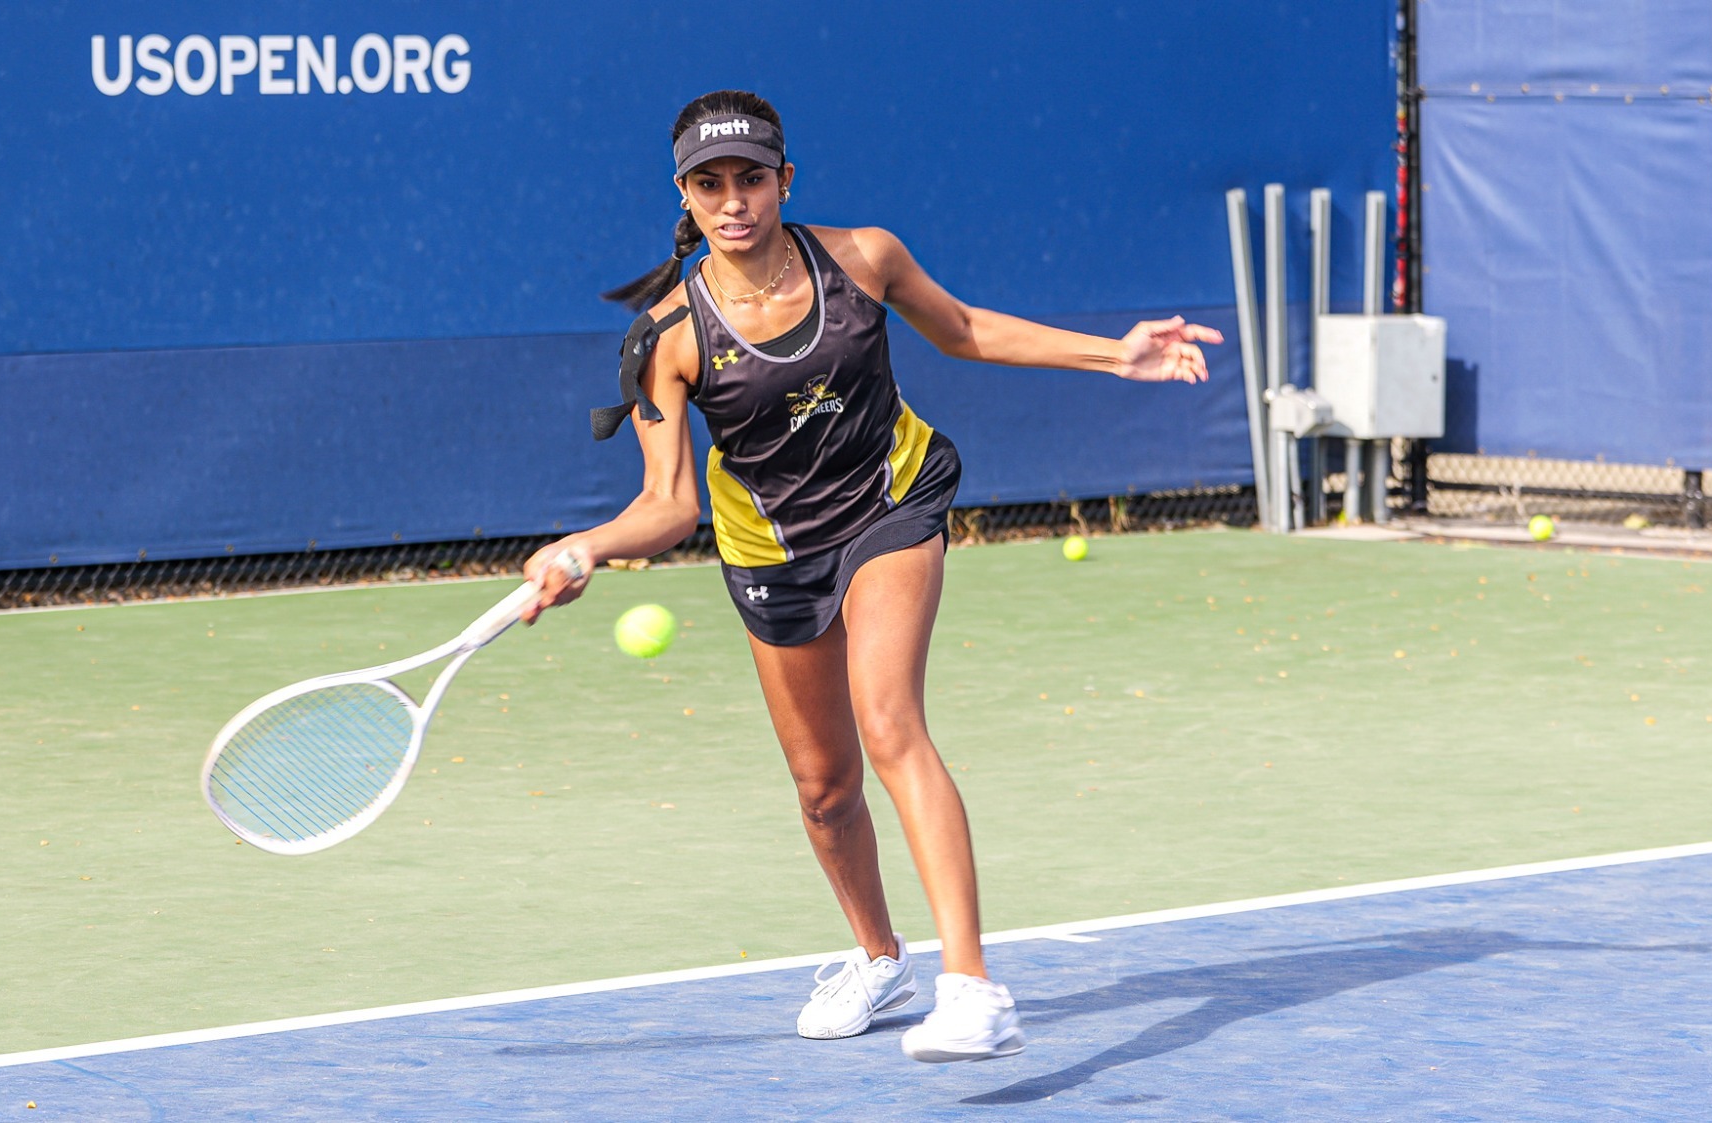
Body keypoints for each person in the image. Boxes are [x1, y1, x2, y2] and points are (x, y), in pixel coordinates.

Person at [522, 90, 1218, 1063]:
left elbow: (962, 328)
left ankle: (972, 988)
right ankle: (879, 956)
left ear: (784, 180)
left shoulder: (862, 258)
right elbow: (669, 502)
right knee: (823, 788)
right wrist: (587, 545)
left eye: (751, 178)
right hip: (772, 551)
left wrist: (1116, 355)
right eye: (710, 184)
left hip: (888, 501)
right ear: (684, 193)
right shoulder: (667, 336)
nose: (733, 201)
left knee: (889, 721)